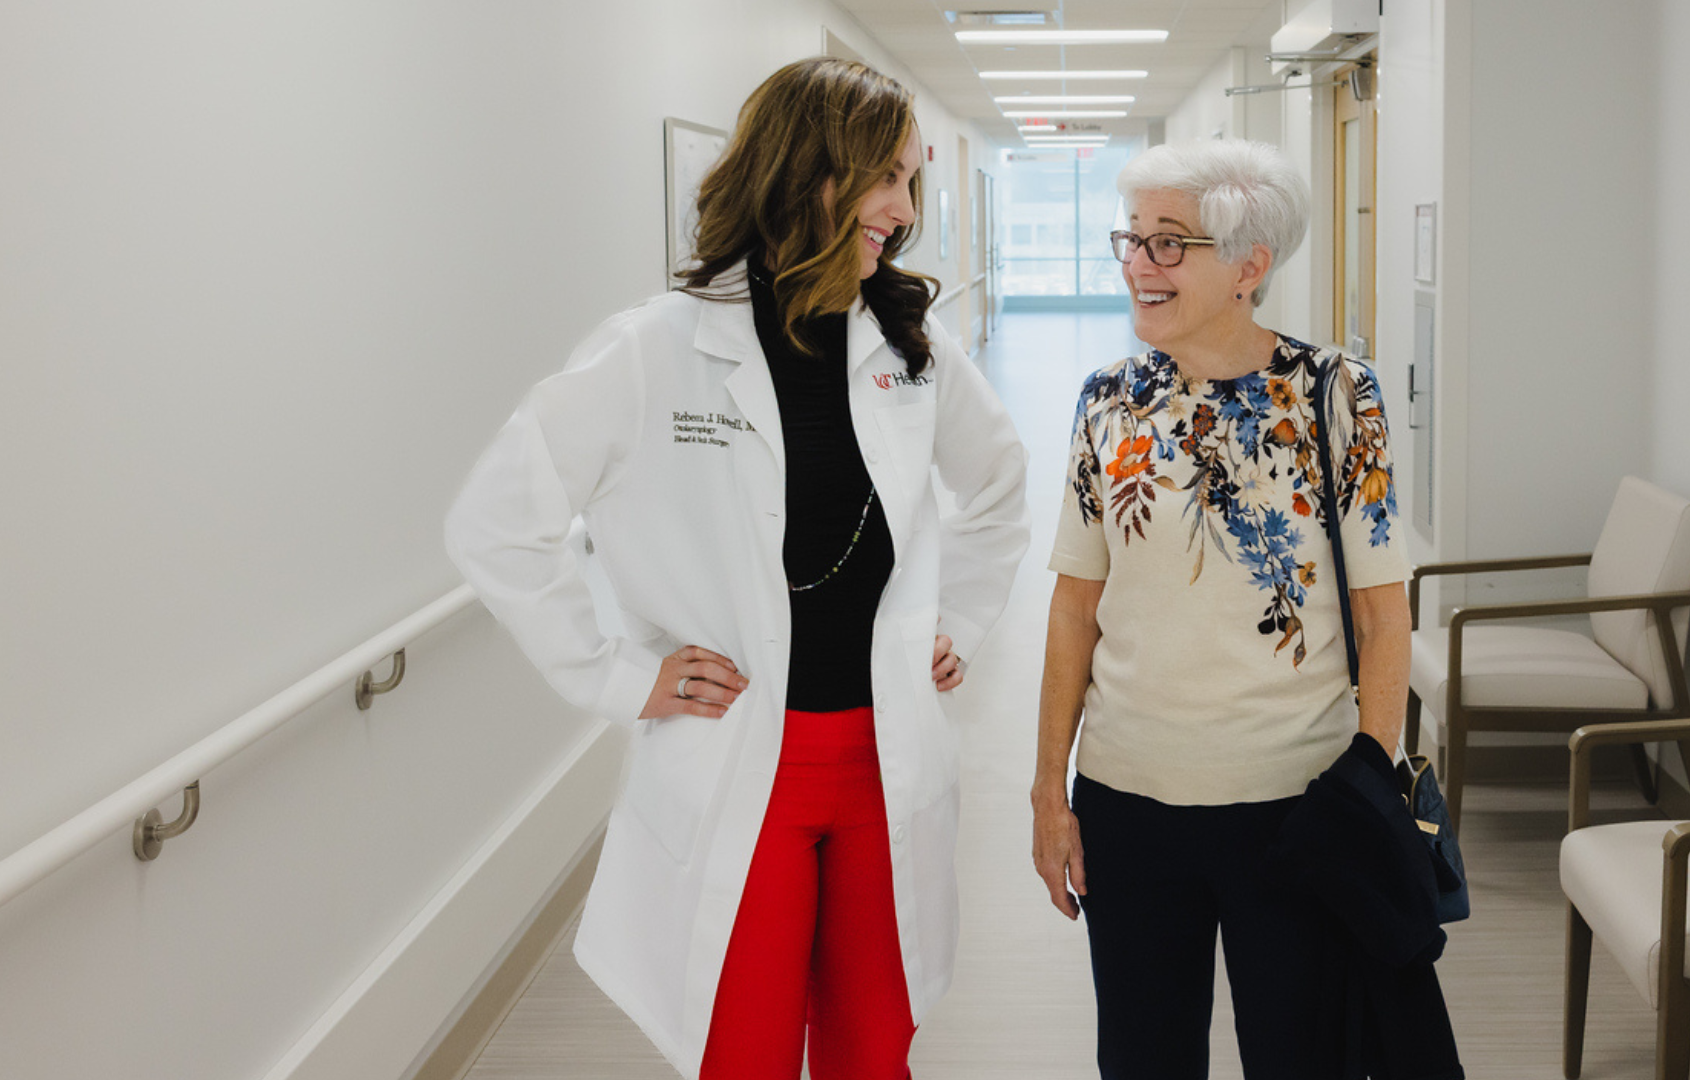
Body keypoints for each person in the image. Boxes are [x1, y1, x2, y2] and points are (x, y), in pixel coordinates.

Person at [445, 57, 1029, 1080]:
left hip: (884, 758)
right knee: (743, 1052)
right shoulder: (656, 349)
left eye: (911, 184)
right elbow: (496, 524)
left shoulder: (906, 343)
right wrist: (624, 674)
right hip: (739, 762)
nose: (901, 209)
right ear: (809, 175)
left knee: (870, 1054)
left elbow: (1000, 485)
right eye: (884, 177)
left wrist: (962, 625)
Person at [1029, 138, 1411, 1080]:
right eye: (1131, 240)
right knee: (1143, 1059)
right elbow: (1076, 608)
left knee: (1301, 1057)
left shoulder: (1336, 396)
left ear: (1250, 266)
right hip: (1128, 804)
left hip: (1297, 807)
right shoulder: (1107, 402)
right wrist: (1049, 787)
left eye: (1168, 243)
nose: (1137, 265)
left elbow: (1381, 619)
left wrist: (1368, 788)